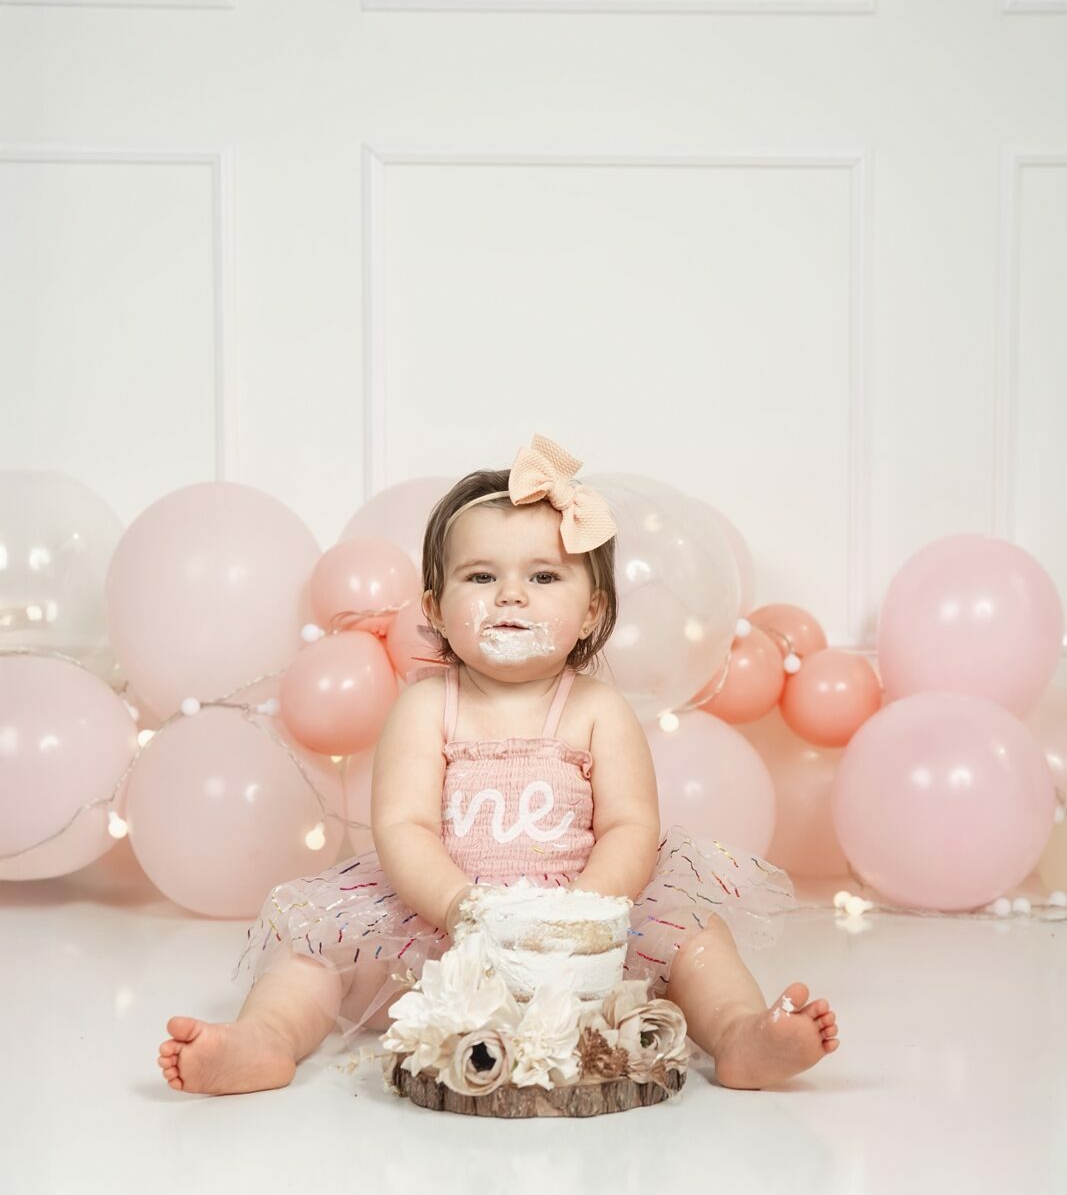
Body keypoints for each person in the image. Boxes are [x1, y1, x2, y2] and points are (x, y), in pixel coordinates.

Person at [157, 436, 839, 1096]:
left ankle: (739, 1033)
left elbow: (630, 826)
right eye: (481, 577)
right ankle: (264, 1039)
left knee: (696, 937)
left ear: (591, 612)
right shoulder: (426, 707)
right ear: (434, 608)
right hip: (442, 916)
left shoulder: (598, 710)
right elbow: (403, 826)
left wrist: (585, 913)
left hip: (584, 916)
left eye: (543, 577)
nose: (511, 595)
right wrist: (462, 908)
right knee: (313, 948)